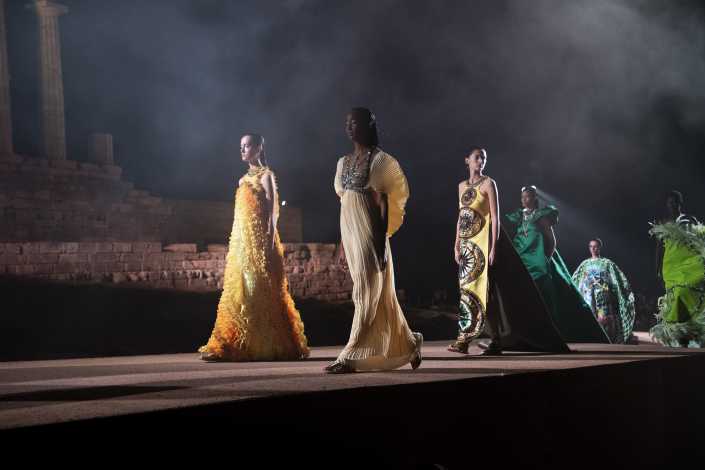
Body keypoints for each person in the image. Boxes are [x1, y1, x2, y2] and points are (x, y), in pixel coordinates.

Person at [327, 107, 422, 373]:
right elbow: (345, 204)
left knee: (366, 292)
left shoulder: (379, 161)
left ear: (368, 125)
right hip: (351, 234)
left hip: (371, 235)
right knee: (382, 299)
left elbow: (383, 207)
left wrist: (380, 247)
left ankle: (349, 356)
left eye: (355, 122)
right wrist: (342, 246)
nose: (349, 127)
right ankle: (411, 342)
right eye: (347, 123)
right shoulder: (342, 162)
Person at [199, 134, 309, 361]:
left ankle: (265, 344)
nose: (243, 149)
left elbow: (273, 211)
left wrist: (269, 240)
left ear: (258, 148)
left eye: (247, 145)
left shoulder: (267, 176)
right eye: (241, 146)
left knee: (260, 288)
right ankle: (233, 343)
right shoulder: (241, 180)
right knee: (240, 290)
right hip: (242, 244)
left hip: (261, 241)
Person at [449, 150, 569, 355]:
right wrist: (456, 244)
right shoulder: (461, 186)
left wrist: (494, 247)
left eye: (484, 158)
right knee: (467, 291)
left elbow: (495, 218)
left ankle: (495, 340)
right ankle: (464, 340)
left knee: (487, 292)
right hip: (468, 245)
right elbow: (462, 216)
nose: (481, 161)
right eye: (477, 157)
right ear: (467, 160)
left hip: (484, 243)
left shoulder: (489, 184)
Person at [504, 186, 609, 343]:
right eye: (522, 197)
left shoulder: (541, 216)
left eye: (528, 196)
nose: (524, 200)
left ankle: (548, 331)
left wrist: (546, 258)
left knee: (545, 294)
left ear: (534, 198)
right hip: (522, 258)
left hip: (539, 261)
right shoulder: (518, 217)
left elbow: (552, 241)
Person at [650, 190, 705, 347]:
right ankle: (679, 335)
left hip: (688, 266)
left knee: (686, 294)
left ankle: (692, 331)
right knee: (675, 298)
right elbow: (659, 248)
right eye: (669, 203)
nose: (672, 205)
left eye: (674, 202)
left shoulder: (689, 220)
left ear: (680, 203)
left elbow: (699, 239)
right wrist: (657, 269)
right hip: (670, 267)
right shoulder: (665, 224)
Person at [572, 238, 636, 344]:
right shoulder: (585, 264)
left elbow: (617, 279)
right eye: (591, 246)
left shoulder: (607, 263)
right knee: (590, 318)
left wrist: (623, 291)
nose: (593, 249)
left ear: (599, 248)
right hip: (588, 297)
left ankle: (606, 341)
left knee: (603, 319)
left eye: (595, 246)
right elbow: (577, 279)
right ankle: (591, 339)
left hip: (603, 298)